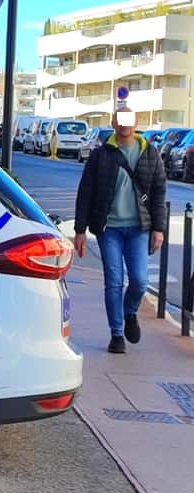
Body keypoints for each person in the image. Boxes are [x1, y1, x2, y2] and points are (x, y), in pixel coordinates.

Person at [74, 108, 167, 353]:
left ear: (135, 123)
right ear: (113, 123)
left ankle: (130, 312)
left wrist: (159, 228)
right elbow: (86, 192)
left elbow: (158, 191)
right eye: (120, 120)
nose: (125, 125)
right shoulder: (100, 155)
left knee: (139, 281)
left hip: (139, 228)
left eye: (129, 119)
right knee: (113, 282)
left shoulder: (150, 153)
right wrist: (80, 230)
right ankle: (116, 334)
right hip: (109, 229)